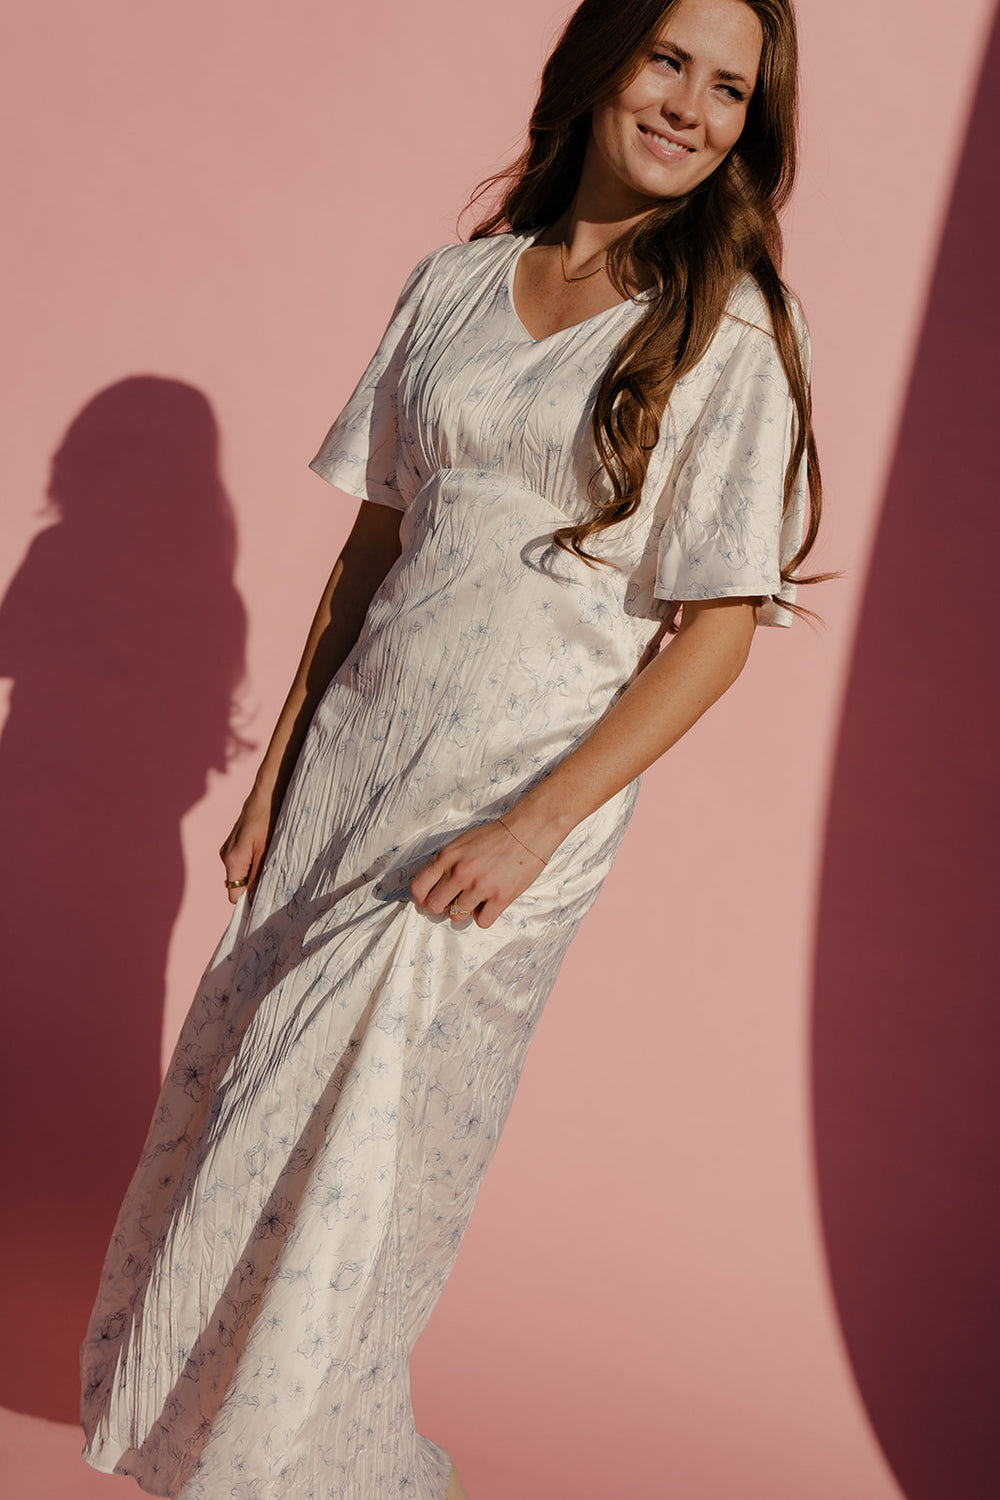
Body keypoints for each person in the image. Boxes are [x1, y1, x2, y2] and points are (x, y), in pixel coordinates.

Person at [79, 0, 823, 1496]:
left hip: (504, 810)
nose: (690, 106)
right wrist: (282, 771)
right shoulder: (457, 284)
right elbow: (371, 551)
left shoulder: (724, 326)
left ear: (752, 125)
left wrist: (536, 826)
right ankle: (196, 1458)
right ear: (602, 57)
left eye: (731, 89)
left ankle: (314, 1472)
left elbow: (722, 628)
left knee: (361, 1169)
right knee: (241, 1128)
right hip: (356, 774)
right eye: (668, 59)